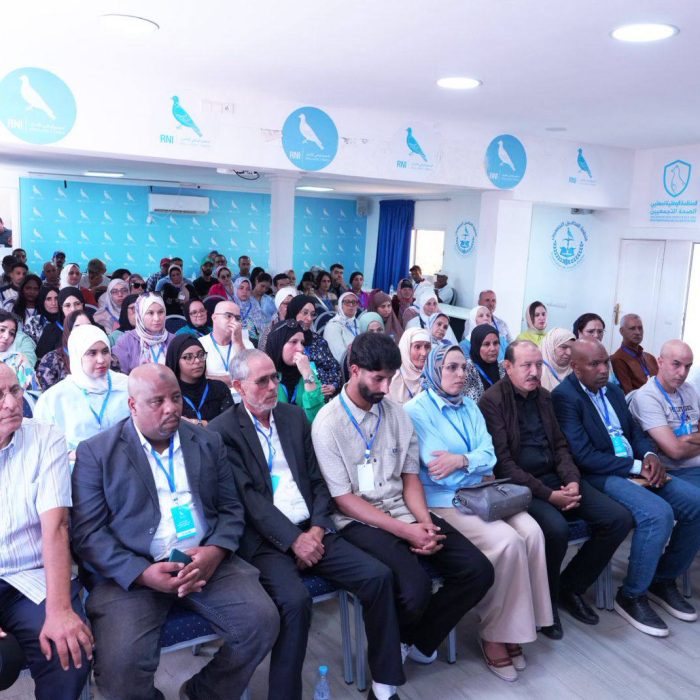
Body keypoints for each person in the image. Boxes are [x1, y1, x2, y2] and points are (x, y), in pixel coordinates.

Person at [70, 364, 279, 700]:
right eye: (157, 401)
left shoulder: (207, 441)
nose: (171, 408)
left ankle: (202, 693)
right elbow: (88, 534)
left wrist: (215, 552)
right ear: (133, 405)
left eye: (176, 398)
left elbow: (231, 509)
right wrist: (141, 574)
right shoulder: (97, 453)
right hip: (132, 574)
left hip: (205, 563)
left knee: (262, 623)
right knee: (120, 670)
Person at [209, 349, 404, 700]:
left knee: (378, 576)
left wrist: (316, 528)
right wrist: (293, 541)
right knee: (295, 602)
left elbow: (317, 480)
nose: (273, 386)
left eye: (275, 377)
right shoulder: (223, 431)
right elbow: (249, 500)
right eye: (262, 381)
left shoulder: (293, 416)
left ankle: (384, 686)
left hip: (312, 529)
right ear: (238, 386)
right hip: (266, 541)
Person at [312, 332, 494, 671]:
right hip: (359, 521)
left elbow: (410, 478)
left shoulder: (397, 415)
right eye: (378, 378)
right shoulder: (328, 423)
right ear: (354, 369)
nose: (385, 387)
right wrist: (407, 531)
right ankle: (393, 654)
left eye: (391, 378)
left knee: (478, 570)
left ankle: (416, 640)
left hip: (403, 508)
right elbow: (344, 499)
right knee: (414, 587)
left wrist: (424, 523)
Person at [405, 345, 551, 681]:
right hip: (445, 501)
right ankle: (495, 634)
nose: (460, 375)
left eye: (464, 368)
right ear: (434, 371)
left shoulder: (470, 405)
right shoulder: (416, 411)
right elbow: (437, 470)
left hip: (481, 492)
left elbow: (490, 456)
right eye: (451, 368)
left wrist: (462, 460)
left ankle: (520, 626)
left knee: (532, 532)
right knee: (508, 542)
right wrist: (472, 464)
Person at [478, 340, 634, 639]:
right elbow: (504, 465)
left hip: (556, 478)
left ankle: (570, 587)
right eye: (526, 365)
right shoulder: (492, 402)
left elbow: (562, 447)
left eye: (538, 365)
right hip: (520, 486)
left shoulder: (545, 397)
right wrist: (550, 496)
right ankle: (545, 604)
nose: (534, 371)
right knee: (556, 529)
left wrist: (572, 481)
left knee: (618, 519)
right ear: (507, 367)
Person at [552, 339, 700, 636]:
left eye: (605, 362)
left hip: (636, 468)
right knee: (657, 514)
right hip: (600, 474)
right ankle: (631, 595)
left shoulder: (613, 391)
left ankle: (662, 579)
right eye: (594, 364)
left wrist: (650, 455)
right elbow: (583, 455)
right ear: (576, 367)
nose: (603, 369)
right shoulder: (565, 397)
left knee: (695, 504)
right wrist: (635, 466)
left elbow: (635, 433)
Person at [0, 363, 93, 700]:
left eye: (14, 391)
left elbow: (55, 527)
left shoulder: (44, 437)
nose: (12, 403)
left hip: (31, 577)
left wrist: (60, 611)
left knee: (68, 651)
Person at [34, 324, 130, 457]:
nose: (101, 360)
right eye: (92, 353)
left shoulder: (126, 386)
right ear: (77, 355)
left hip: (124, 461)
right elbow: (44, 448)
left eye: (105, 351)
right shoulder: (54, 399)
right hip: (77, 465)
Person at [629, 339, 700, 490]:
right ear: (660, 362)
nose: (683, 373)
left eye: (688, 366)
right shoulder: (647, 396)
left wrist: (687, 438)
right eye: (676, 364)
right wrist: (685, 441)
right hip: (676, 471)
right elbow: (675, 451)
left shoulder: (689, 389)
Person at [36, 310, 121, 391]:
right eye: (78, 326)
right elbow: (49, 394)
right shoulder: (52, 359)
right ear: (68, 330)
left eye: (88, 325)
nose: (85, 330)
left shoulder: (107, 357)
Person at [165, 335, 232, 425]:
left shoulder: (219, 388)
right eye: (188, 357)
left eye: (201, 355)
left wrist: (198, 423)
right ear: (176, 361)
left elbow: (230, 424)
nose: (197, 361)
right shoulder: (169, 394)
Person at [266, 321, 325, 422]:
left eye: (302, 343)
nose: (301, 348)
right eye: (293, 342)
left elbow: (317, 416)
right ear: (278, 344)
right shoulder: (265, 375)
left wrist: (307, 374)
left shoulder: (305, 369)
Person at [286, 294, 342, 397]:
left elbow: (334, 367)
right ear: (294, 312)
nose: (309, 318)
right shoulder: (284, 341)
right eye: (305, 313)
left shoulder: (317, 340)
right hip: (301, 397)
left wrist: (333, 385)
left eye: (312, 314)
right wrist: (314, 388)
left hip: (327, 395)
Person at [112, 293, 174, 374]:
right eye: (150, 313)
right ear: (140, 314)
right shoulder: (126, 341)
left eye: (160, 312)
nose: (157, 318)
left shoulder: (173, 340)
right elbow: (119, 375)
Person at [200, 300, 253, 388]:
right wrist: (237, 380)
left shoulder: (246, 343)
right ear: (214, 318)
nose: (234, 321)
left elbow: (251, 375)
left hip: (242, 394)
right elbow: (200, 379)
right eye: (228, 316)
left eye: (237, 318)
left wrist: (238, 343)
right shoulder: (200, 344)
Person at [610, 313, 658, 394]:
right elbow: (629, 395)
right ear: (622, 331)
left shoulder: (650, 357)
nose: (638, 332)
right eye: (632, 328)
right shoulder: (618, 359)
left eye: (640, 328)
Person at [36, 287, 85, 359]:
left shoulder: (94, 328)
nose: (73, 309)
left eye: (77, 304)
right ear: (61, 308)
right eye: (67, 305)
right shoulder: (51, 330)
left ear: (83, 305)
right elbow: (41, 359)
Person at [389, 327, 431, 404]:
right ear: (406, 349)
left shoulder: (433, 377)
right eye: (417, 347)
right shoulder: (391, 379)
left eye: (427, 347)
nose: (424, 353)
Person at [465, 324, 505, 402]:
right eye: (486, 344)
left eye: (496, 343)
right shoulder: (467, 370)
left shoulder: (502, 368)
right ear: (476, 346)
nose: (493, 348)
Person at [0, 310, 39, 391]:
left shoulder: (18, 361)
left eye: (11, 333)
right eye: (2, 330)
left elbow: (34, 392)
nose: (6, 336)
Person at [257, 286, 299, 353]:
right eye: (286, 304)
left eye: (293, 303)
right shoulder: (271, 329)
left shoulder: (300, 324)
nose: (290, 306)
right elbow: (262, 352)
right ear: (279, 305)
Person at [323, 291, 360, 362]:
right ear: (340, 305)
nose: (351, 305)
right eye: (347, 302)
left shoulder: (358, 323)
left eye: (354, 302)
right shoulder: (332, 326)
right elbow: (339, 356)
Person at [539, 328, 576, 392]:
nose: (569, 353)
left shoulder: (576, 372)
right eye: (563, 347)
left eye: (572, 348)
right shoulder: (536, 373)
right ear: (550, 347)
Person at [232, 276, 266, 345]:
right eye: (241, 288)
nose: (244, 291)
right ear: (235, 289)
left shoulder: (254, 303)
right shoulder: (230, 304)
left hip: (254, 340)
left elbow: (261, 327)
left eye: (248, 289)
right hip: (234, 340)